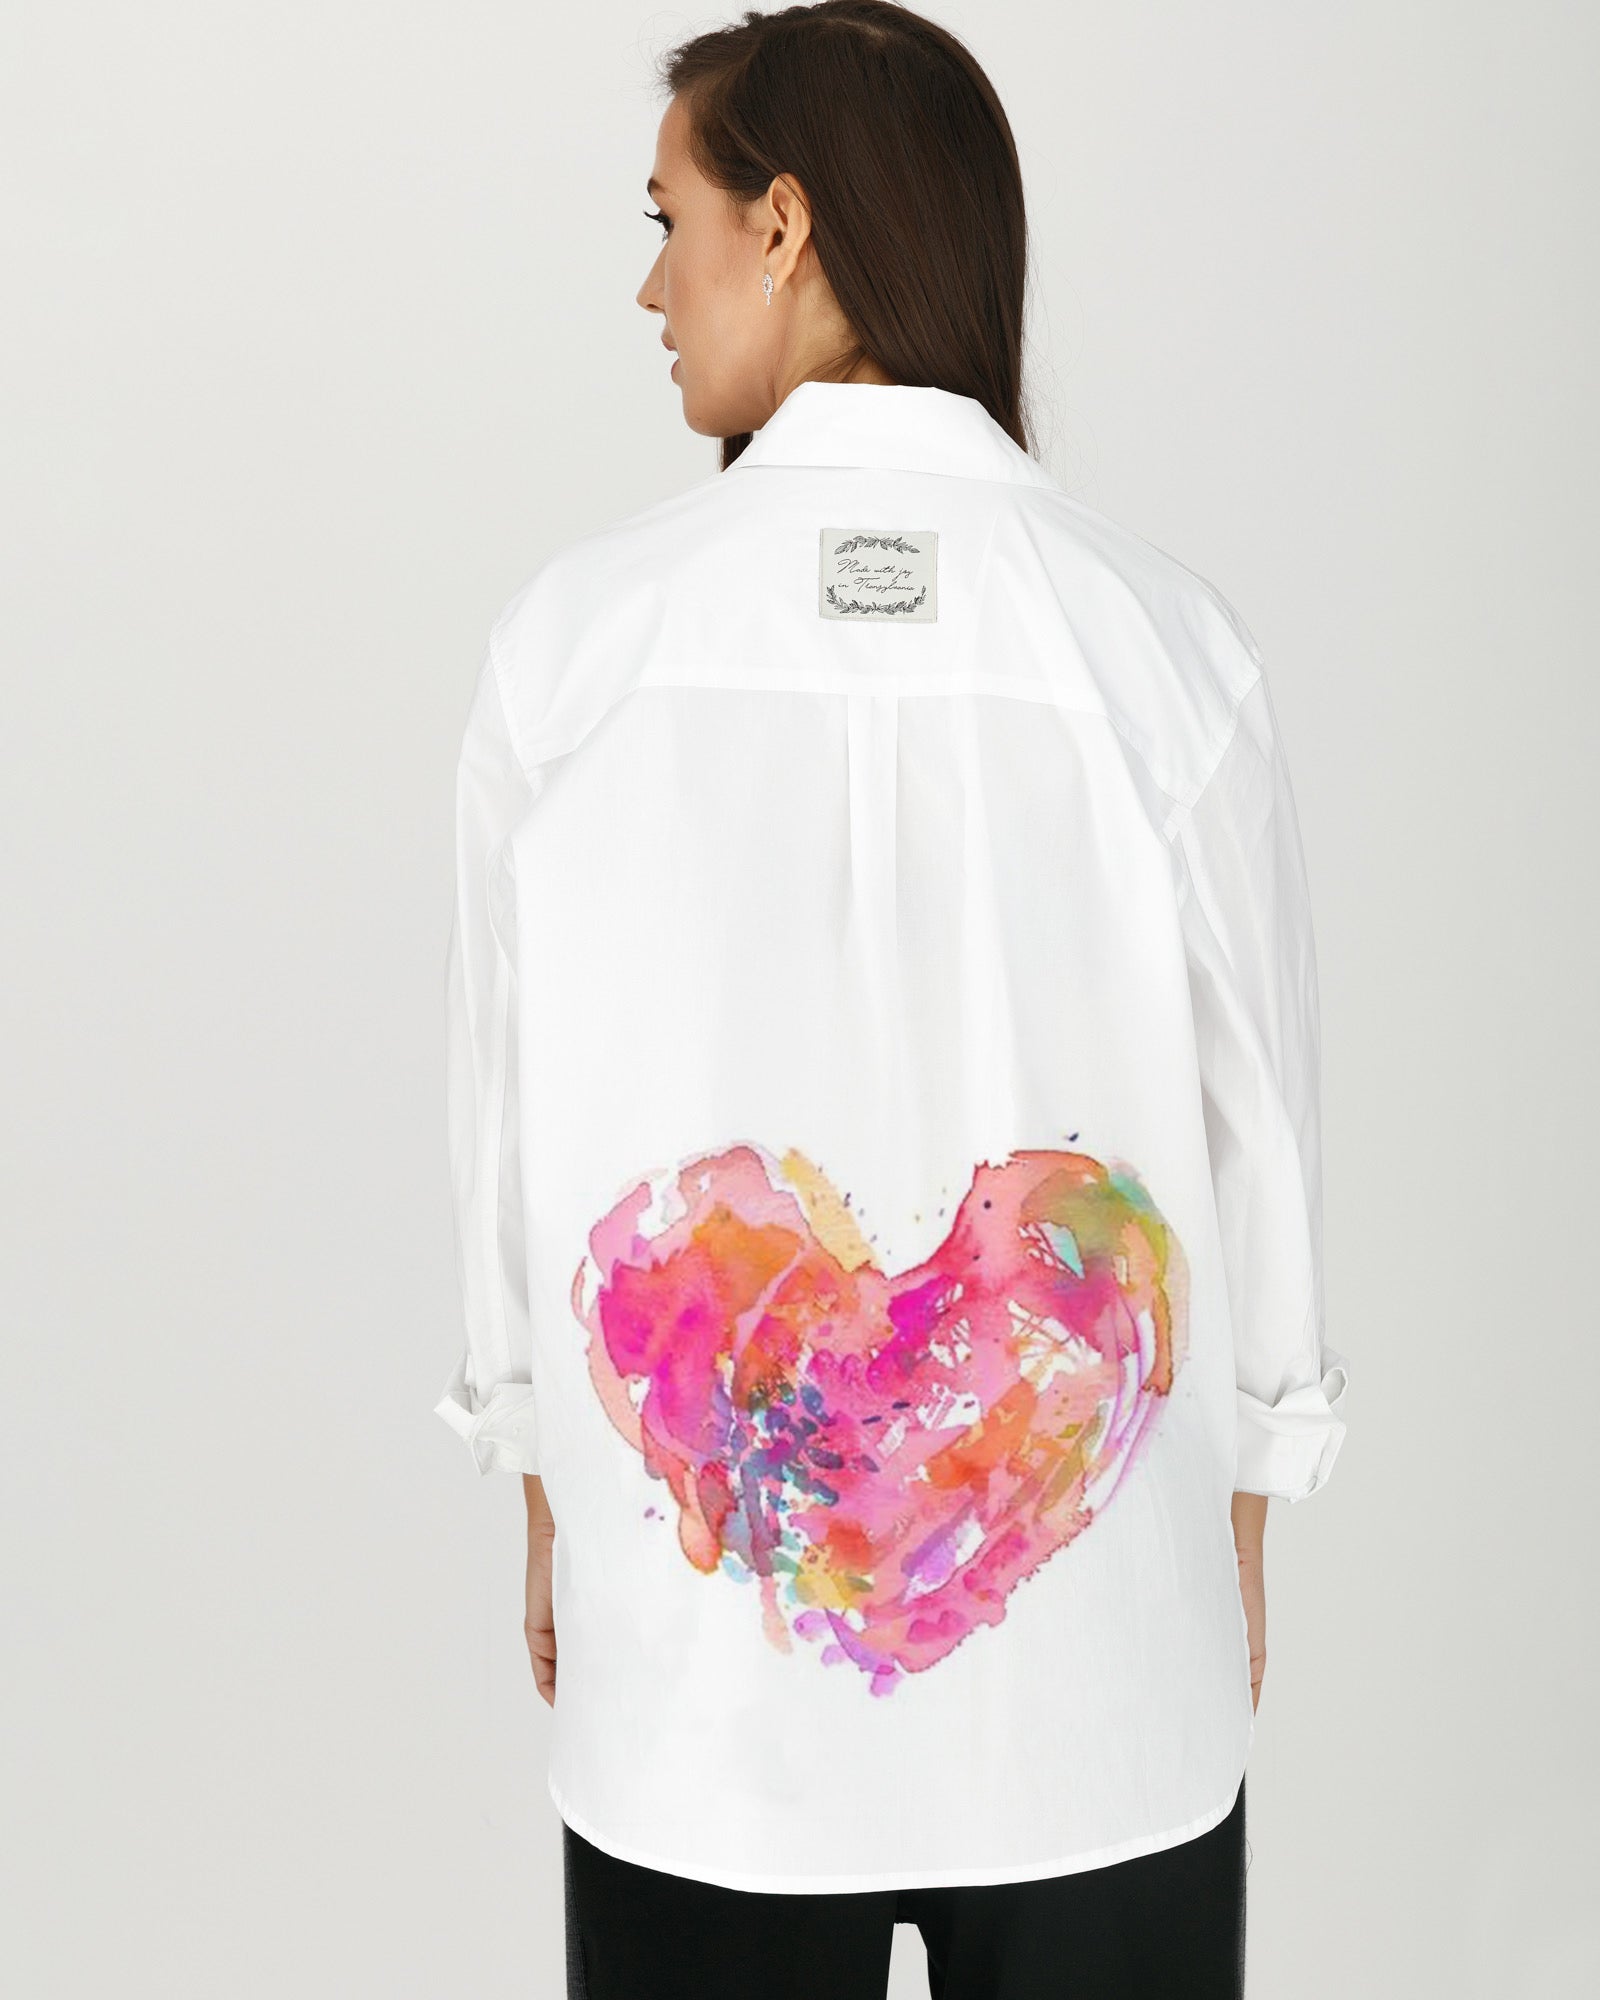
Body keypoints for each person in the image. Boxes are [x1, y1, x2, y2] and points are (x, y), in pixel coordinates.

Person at [438, 4, 1349, 1995]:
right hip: (1103, 1696)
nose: (649, 286)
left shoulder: (572, 649)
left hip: (698, 1722)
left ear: (781, 225)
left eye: (668, 219)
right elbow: (1261, 1111)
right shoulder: (1162, 646)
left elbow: (505, 1113)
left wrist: (537, 1461)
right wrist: (1254, 1479)